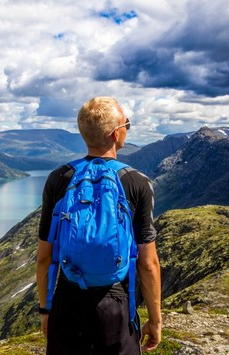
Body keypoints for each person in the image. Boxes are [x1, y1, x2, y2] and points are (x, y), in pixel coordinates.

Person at [36, 97, 162, 354]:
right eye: (127, 123)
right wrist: (155, 320)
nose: (127, 127)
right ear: (117, 133)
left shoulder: (59, 178)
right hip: (115, 304)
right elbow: (148, 263)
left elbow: (44, 258)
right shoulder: (136, 182)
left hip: (68, 299)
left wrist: (46, 310)